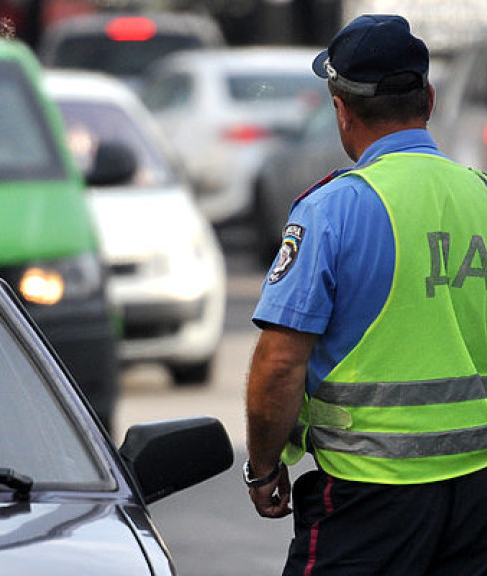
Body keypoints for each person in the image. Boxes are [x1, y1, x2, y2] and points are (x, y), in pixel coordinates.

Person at [244, 14, 487, 575]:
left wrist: (262, 467)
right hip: (477, 492)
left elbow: (279, 364)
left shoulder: (332, 211)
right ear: (427, 98)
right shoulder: (478, 196)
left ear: (340, 108)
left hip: (370, 494)